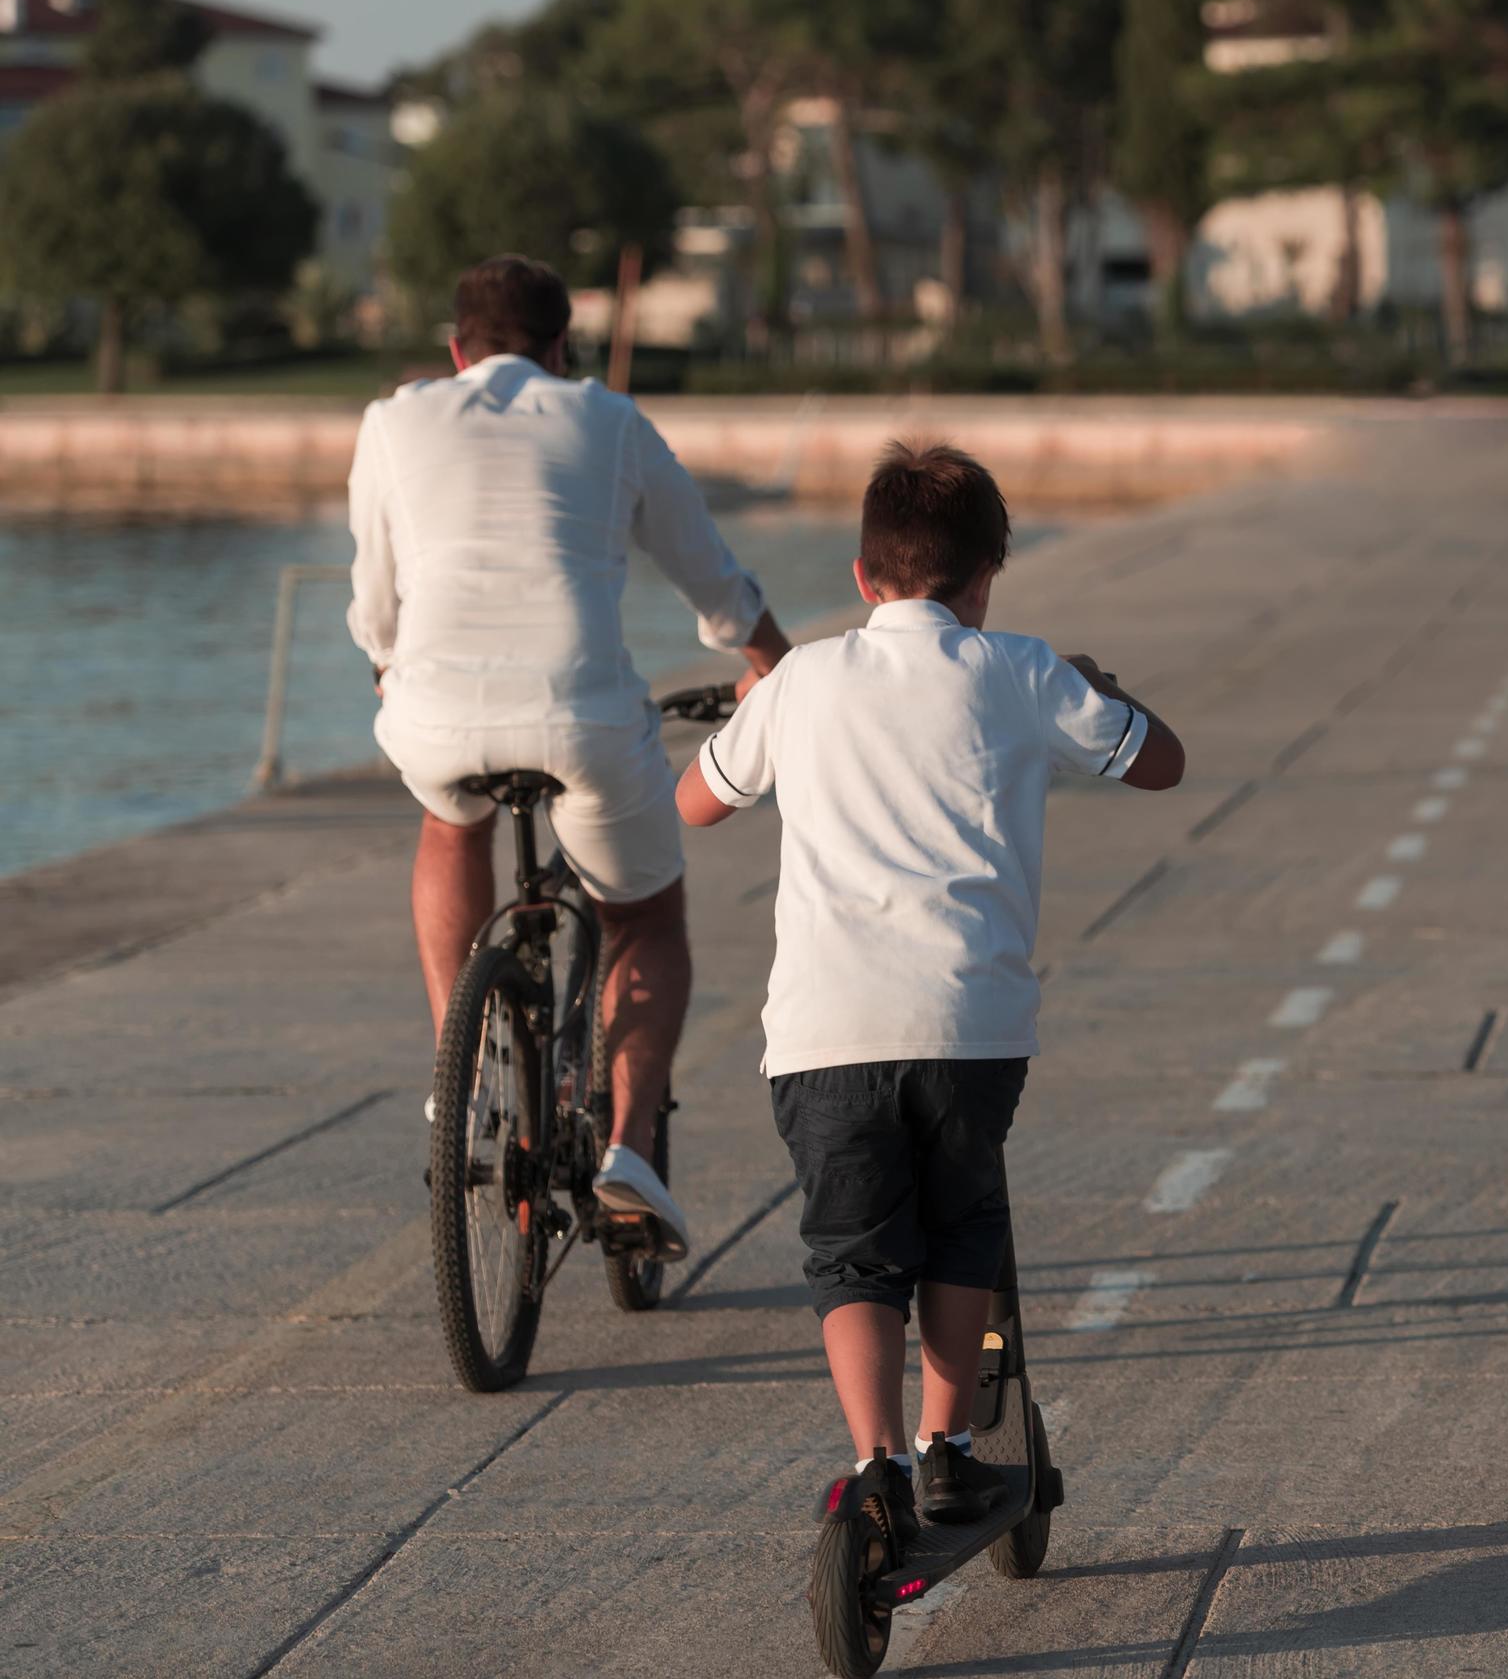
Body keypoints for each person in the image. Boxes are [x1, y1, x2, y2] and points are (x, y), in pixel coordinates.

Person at [678, 441, 1185, 1532]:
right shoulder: (1023, 668)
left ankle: (873, 1470)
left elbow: (696, 803)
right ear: (986, 574)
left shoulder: (804, 676)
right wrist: (1102, 690)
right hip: (971, 1025)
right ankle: (947, 1444)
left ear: (864, 577)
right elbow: (1162, 762)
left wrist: (760, 704)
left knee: (852, 1250)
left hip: (824, 1032)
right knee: (962, 1226)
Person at [348, 254, 792, 1261]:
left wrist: (387, 663)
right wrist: (776, 664)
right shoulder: (610, 420)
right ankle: (629, 1154)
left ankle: (457, 1074)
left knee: (448, 815)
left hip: (434, 715)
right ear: (561, 349)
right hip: (580, 717)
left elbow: (376, 596)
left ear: (455, 352)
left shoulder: (394, 420)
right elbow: (714, 583)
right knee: (644, 914)